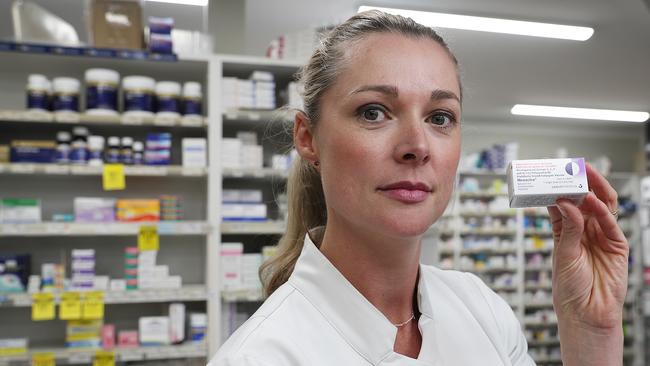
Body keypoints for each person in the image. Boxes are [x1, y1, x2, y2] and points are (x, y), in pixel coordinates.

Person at [208, 10, 628, 366]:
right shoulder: (261, 356)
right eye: (374, 112)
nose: (417, 147)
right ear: (307, 138)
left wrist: (590, 330)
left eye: (440, 117)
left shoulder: (483, 310)